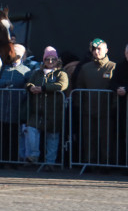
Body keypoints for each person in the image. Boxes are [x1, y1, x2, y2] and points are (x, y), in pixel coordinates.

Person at [23, 47, 69, 171]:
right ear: (43, 60)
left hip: (54, 110)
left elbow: (62, 85)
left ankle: (50, 162)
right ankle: (33, 156)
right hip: (37, 109)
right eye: (47, 59)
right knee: (31, 130)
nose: (50, 61)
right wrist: (31, 87)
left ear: (57, 60)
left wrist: (43, 88)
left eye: (52, 59)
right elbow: (28, 83)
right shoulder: (37, 72)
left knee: (52, 137)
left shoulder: (61, 73)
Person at [74, 38, 118, 167]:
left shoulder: (113, 66)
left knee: (106, 137)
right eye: (94, 49)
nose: (96, 52)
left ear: (106, 50)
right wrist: (79, 105)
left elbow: (116, 87)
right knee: (89, 136)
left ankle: (106, 162)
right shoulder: (85, 68)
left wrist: (114, 106)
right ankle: (90, 161)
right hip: (88, 109)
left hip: (106, 110)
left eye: (99, 49)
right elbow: (79, 87)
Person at [0, 43, 30, 163]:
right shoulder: (2, 67)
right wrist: (5, 83)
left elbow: (29, 85)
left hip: (15, 109)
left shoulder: (27, 71)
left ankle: (12, 161)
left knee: (13, 137)